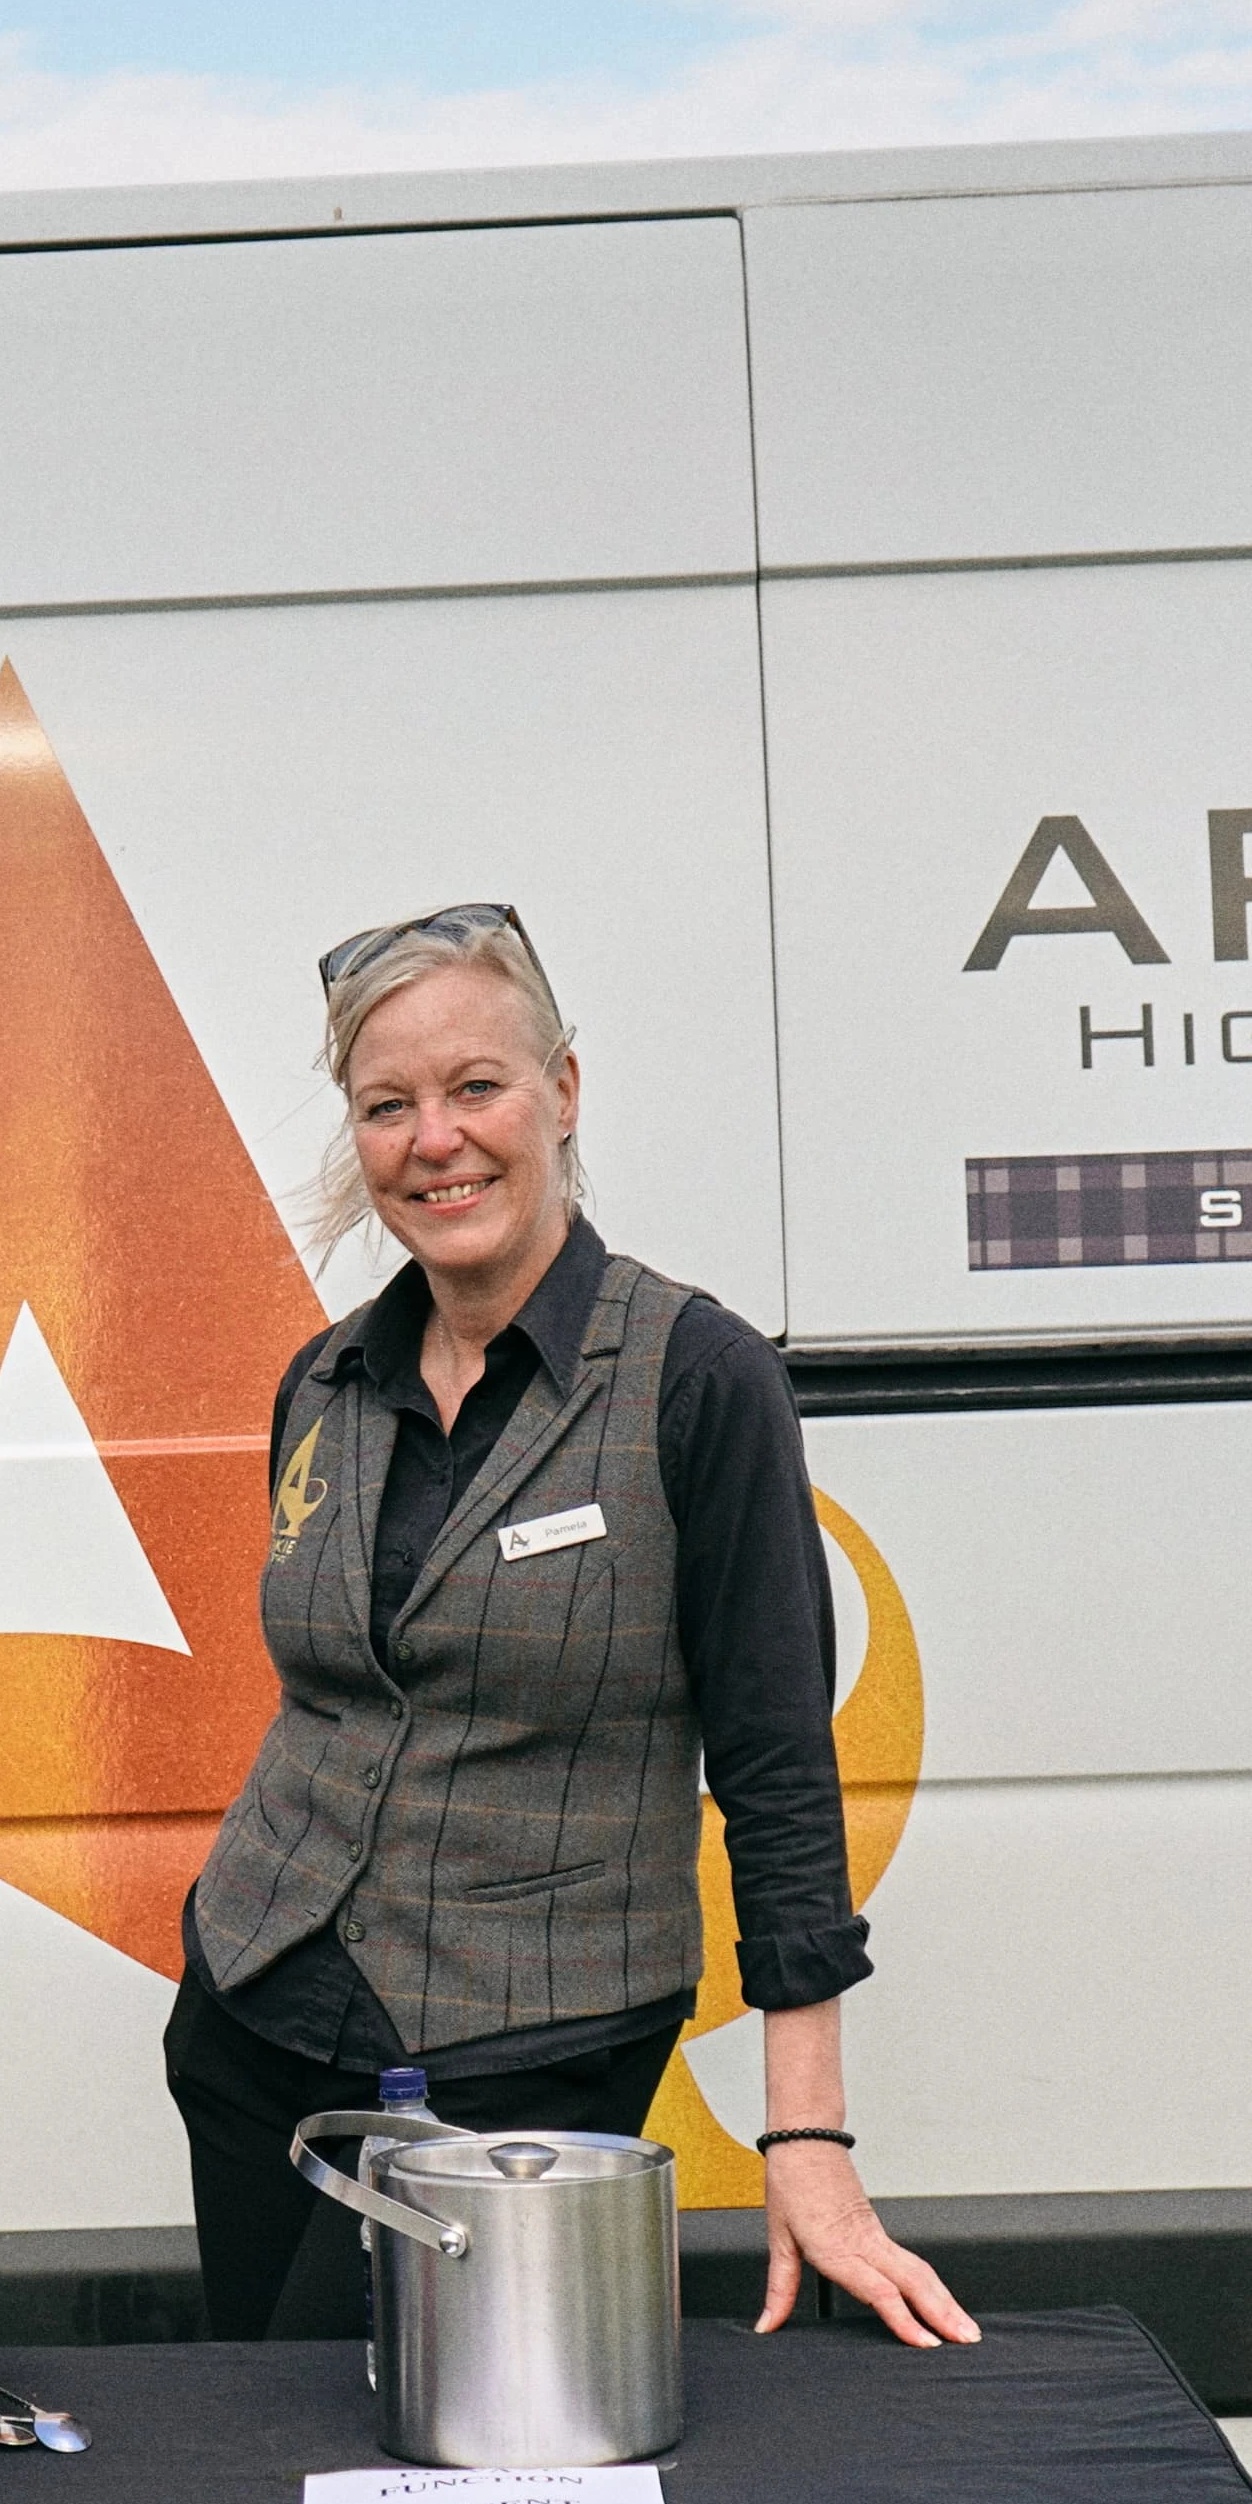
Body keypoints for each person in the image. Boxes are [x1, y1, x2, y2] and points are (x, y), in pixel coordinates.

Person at [166, 903, 975, 2351]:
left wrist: (811, 2144)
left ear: (563, 1093)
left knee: (431, 2473)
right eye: (387, 1105)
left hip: (523, 2065)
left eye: (476, 1087)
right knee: (262, 2453)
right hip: (255, 2020)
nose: (437, 1140)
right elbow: (341, 1697)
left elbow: (779, 1767)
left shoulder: (695, 1379)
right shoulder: (327, 1383)